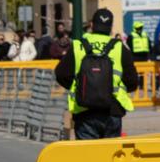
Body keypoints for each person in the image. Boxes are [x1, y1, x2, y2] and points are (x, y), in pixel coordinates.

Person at [56, 7, 135, 141]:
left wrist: (80, 87)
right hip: (112, 111)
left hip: (84, 111)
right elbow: (132, 82)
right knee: (110, 158)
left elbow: (61, 74)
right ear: (110, 27)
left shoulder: (78, 46)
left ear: (92, 25)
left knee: (88, 159)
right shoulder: (119, 47)